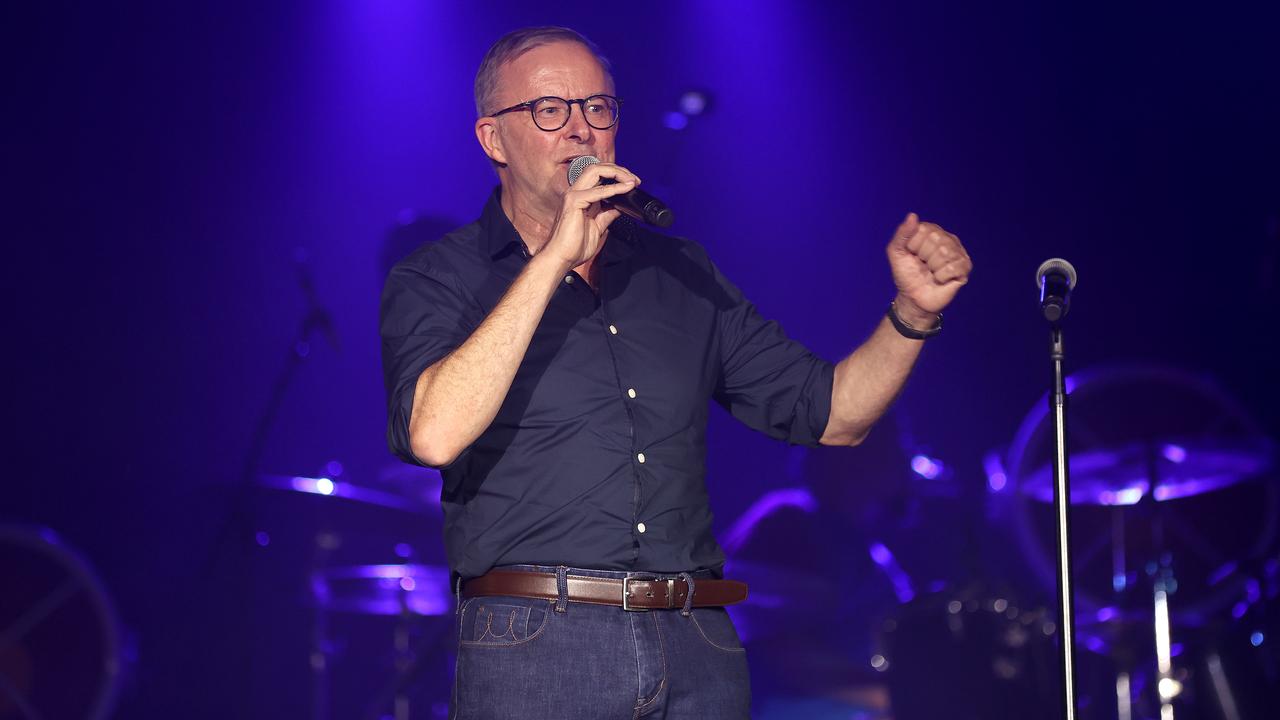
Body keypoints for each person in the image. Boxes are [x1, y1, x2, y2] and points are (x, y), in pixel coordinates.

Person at [379, 25, 972, 720]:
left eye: (598, 109)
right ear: (492, 139)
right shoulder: (439, 276)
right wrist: (551, 262)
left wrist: (911, 315)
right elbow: (434, 434)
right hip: (540, 641)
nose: (580, 129)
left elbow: (834, 414)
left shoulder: (677, 272)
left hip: (696, 641)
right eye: (549, 110)